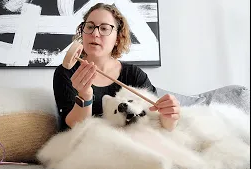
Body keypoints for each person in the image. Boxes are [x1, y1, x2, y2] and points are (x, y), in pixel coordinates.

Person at [53, 3, 180, 132]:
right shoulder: (66, 72)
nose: (95, 33)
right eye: (90, 26)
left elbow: (157, 121)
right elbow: (73, 126)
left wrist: (171, 117)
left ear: (118, 38)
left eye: (104, 28)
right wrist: (85, 96)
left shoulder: (134, 75)